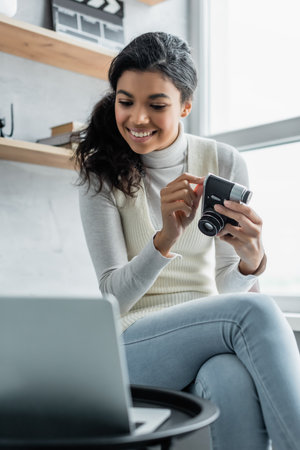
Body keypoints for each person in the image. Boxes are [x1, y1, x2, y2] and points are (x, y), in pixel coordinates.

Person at [75, 32, 300, 450]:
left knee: (227, 377)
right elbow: (111, 299)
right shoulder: (101, 175)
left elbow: (223, 288)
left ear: (185, 105)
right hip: (130, 345)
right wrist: (164, 239)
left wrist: (251, 259)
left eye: (156, 105)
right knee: (255, 309)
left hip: (209, 331)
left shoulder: (224, 161)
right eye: (126, 101)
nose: (137, 118)